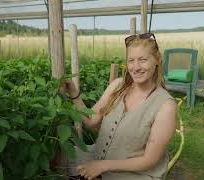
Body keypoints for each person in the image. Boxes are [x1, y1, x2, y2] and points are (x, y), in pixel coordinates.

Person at [64, 33, 177, 180]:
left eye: (143, 60)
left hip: (134, 174)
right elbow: (91, 121)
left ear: (157, 60)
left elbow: (149, 161)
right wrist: (73, 92)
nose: (135, 67)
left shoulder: (165, 106)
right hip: (98, 159)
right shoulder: (118, 86)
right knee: (58, 156)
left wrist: (102, 166)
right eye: (131, 60)